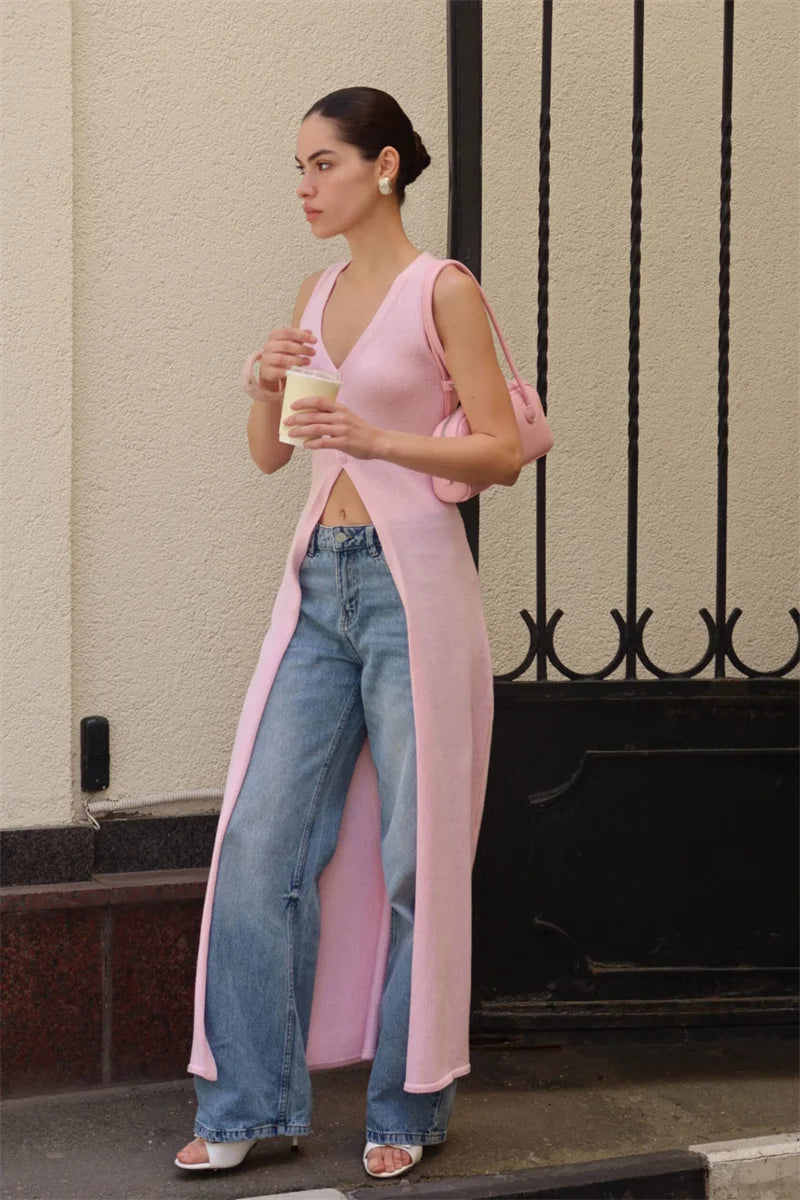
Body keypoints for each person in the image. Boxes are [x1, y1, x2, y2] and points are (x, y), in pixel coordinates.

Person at [175, 86, 522, 1179]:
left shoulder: (443, 290)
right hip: (317, 585)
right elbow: (275, 455)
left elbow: (501, 450)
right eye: (298, 166)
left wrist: (377, 435)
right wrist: (260, 385)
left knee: (419, 857)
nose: (304, 186)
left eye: (322, 164)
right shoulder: (315, 291)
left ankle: (407, 1110)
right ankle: (247, 1107)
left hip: (410, 584)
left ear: (382, 167)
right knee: (258, 847)